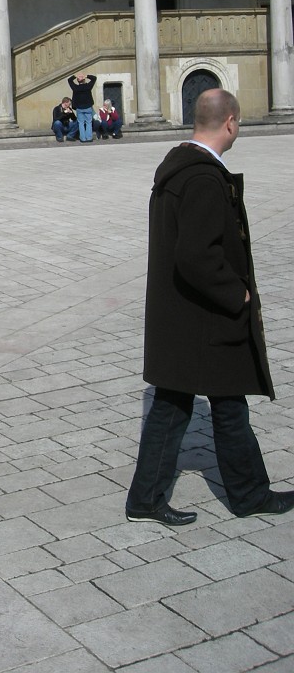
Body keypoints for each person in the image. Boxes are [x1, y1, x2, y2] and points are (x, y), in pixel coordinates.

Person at [126, 88, 293, 526]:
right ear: (231, 123)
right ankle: (248, 495)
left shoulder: (180, 167)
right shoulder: (201, 178)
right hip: (205, 317)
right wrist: (236, 293)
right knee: (226, 406)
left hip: (182, 316)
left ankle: (147, 498)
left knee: (178, 405)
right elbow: (196, 256)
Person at [68, 72, 97, 142]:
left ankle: (83, 138)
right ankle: (89, 138)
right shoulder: (88, 86)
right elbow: (94, 78)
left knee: (81, 123)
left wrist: (75, 76)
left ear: (78, 81)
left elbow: (69, 80)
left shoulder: (75, 87)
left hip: (79, 107)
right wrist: (86, 76)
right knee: (88, 123)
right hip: (88, 107)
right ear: (84, 80)